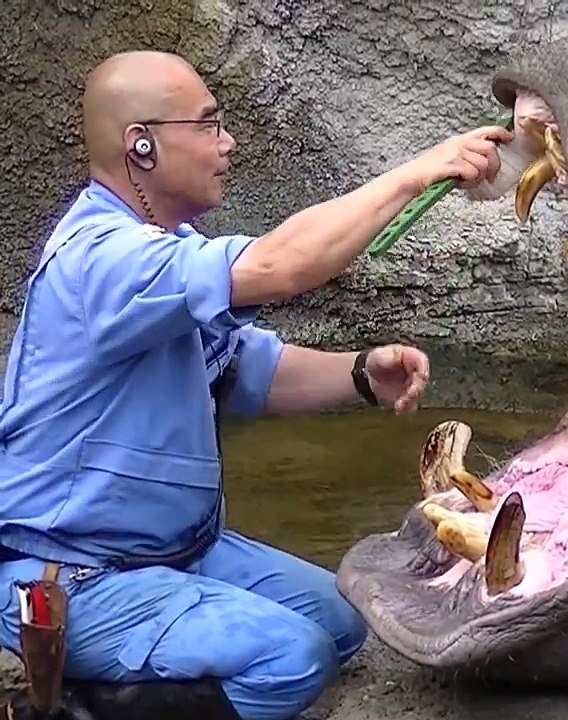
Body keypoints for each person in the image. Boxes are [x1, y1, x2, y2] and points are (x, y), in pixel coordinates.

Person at [0, 50, 512, 720]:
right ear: (142, 144)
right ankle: (67, 711)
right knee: (289, 658)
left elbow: (245, 372)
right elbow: (279, 264)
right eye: (209, 125)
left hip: (176, 554)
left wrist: (361, 374)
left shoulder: (162, 242)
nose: (228, 141)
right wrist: (416, 174)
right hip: (78, 574)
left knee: (343, 620)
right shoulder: (104, 258)